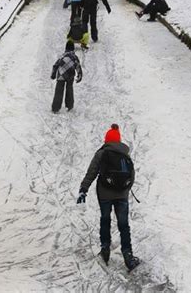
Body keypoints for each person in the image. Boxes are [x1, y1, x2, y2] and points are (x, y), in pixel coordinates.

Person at [77, 124, 140, 271]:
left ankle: (105, 249)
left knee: (105, 219)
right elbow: (132, 175)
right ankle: (128, 256)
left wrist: (83, 189)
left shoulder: (102, 153)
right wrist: (124, 189)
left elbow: (92, 172)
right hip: (122, 195)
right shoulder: (125, 154)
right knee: (123, 225)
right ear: (118, 140)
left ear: (107, 140)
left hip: (104, 193)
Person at [50, 41, 83, 113]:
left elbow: (55, 65)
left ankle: (55, 108)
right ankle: (69, 105)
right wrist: (79, 75)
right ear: (73, 49)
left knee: (59, 91)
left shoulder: (62, 56)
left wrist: (53, 75)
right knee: (69, 90)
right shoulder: (74, 57)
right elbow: (78, 67)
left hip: (61, 75)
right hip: (70, 75)